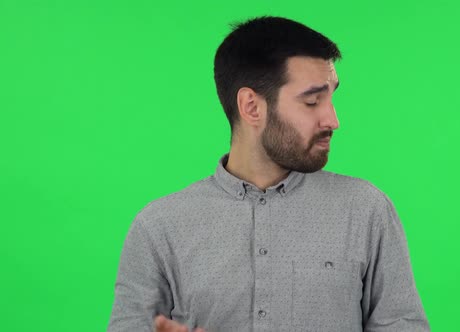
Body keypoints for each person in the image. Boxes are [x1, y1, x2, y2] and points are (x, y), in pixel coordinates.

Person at [107, 16, 430, 332]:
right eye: (312, 101)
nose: (332, 119)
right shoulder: (159, 227)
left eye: (332, 97)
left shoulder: (366, 210)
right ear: (251, 107)